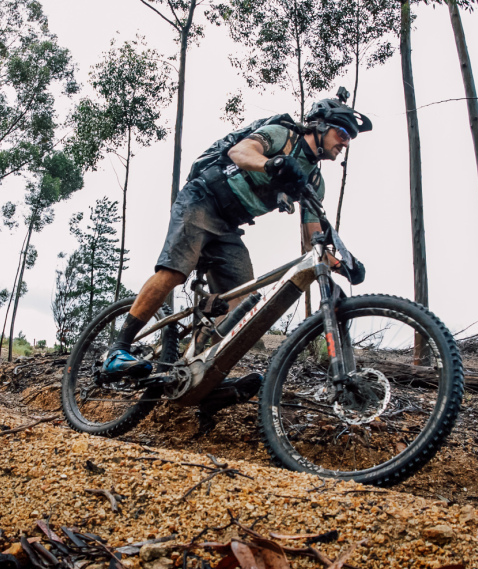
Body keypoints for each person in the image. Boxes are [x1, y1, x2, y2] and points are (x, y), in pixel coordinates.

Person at [103, 91, 373, 378]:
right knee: (175, 271)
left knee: (242, 307)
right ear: (320, 126)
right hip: (203, 198)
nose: (346, 142)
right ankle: (117, 350)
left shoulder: (314, 182)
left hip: (229, 226)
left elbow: (312, 242)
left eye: (350, 138)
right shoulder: (283, 136)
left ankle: (196, 373)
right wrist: (271, 163)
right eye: (343, 133)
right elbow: (240, 152)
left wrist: (341, 264)